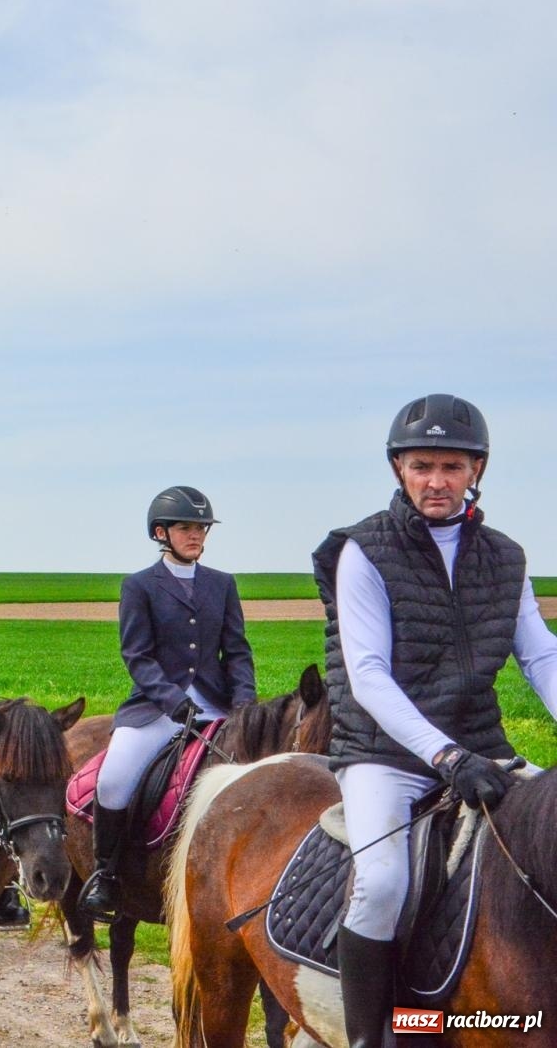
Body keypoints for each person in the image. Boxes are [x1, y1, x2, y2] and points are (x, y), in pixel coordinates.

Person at [311, 394, 557, 1048]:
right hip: (384, 755)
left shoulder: (506, 556)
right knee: (384, 881)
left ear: (477, 469)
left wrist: (471, 752)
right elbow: (367, 676)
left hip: (484, 748)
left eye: (452, 466)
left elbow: (541, 656)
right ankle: (371, 1036)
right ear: (399, 469)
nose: (436, 481)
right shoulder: (362, 551)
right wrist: (445, 757)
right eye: (422, 465)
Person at [77, 486, 257, 922]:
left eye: (201, 528)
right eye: (186, 528)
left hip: (216, 708)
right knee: (114, 780)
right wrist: (172, 701)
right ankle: (106, 874)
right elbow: (136, 654)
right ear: (162, 532)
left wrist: (246, 706)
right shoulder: (139, 586)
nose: (195, 535)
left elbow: (236, 651)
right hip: (158, 709)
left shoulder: (222, 584)